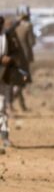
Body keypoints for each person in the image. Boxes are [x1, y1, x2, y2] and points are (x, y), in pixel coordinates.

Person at [10, 4, 35, 111]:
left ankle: (22, 105)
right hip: (24, 58)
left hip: (13, 57)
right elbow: (32, 42)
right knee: (22, 82)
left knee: (15, 81)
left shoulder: (13, 25)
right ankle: (8, 102)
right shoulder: (28, 26)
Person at [0, 16, 14, 149]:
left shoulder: (8, 38)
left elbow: (16, 53)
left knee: (2, 107)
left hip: (3, 78)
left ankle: (5, 137)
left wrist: (9, 59)